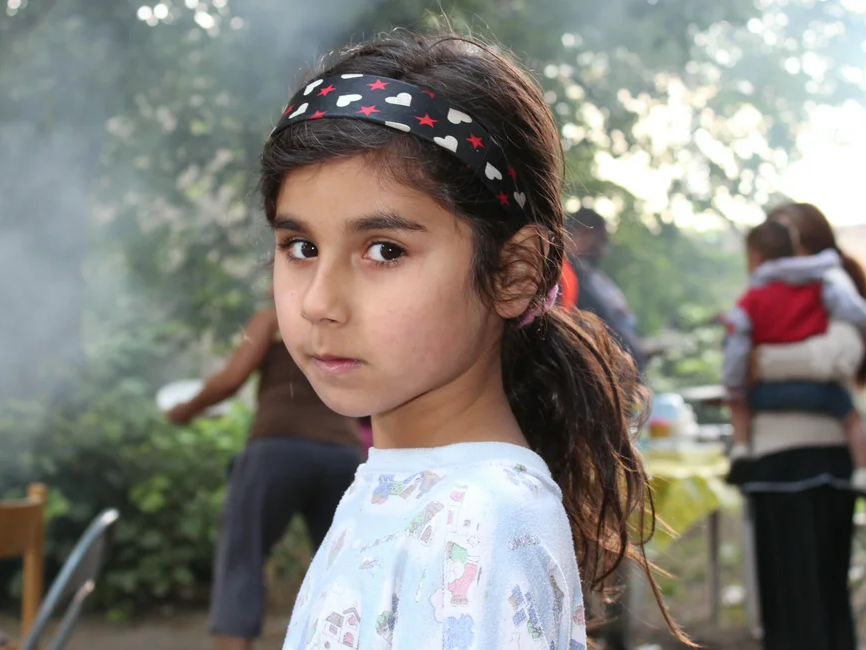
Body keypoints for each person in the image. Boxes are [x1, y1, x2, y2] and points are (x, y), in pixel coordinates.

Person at [260, 32, 685, 648]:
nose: (320, 303)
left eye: (385, 250)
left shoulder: (478, 520)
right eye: (302, 248)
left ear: (514, 273)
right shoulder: (408, 485)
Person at [165, 307, 363, 650]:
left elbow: (230, 379)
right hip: (342, 455)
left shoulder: (275, 317)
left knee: (242, 555)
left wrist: (188, 409)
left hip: (278, 450)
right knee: (344, 567)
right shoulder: (351, 316)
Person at [734, 202, 866, 650]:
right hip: (771, 457)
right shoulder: (771, 285)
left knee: (818, 594)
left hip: (819, 457)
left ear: (807, 242)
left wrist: (762, 362)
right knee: (784, 597)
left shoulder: (829, 284)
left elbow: (839, 358)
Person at [721, 220, 866, 503]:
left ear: (754, 257)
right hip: (820, 394)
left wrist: (734, 384)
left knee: (738, 402)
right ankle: (864, 471)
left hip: (764, 395)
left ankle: (740, 448)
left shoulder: (750, 299)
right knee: (853, 418)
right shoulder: (821, 286)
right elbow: (858, 313)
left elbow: (737, 347)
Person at [565, 207, 649, 371]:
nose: (604, 251)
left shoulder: (590, 275)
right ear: (583, 233)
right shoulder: (562, 276)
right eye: (601, 240)